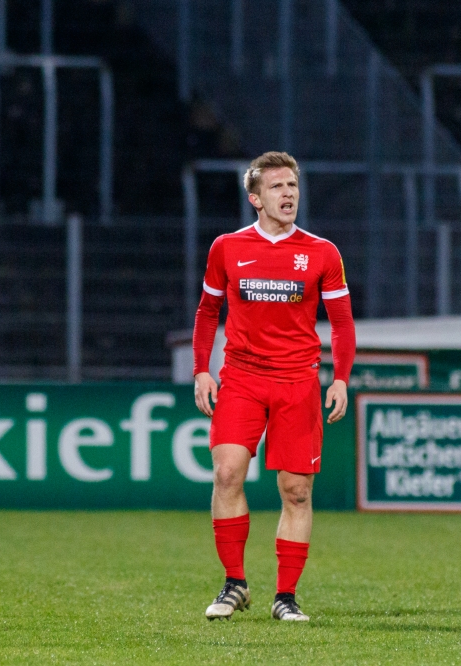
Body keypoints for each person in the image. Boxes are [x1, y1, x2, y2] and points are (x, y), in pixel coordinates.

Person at [191, 151, 356, 623]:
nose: (288, 195)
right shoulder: (227, 247)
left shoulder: (322, 252)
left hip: (297, 381)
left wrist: (340, 377)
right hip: (241, 377)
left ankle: (286, 595)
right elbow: (207, 311)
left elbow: (341, 323)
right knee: (226, 474)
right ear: (255, 198)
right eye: (278, 187)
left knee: (296, 491)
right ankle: (234, 583)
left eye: (293, 187)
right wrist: (202, 368)